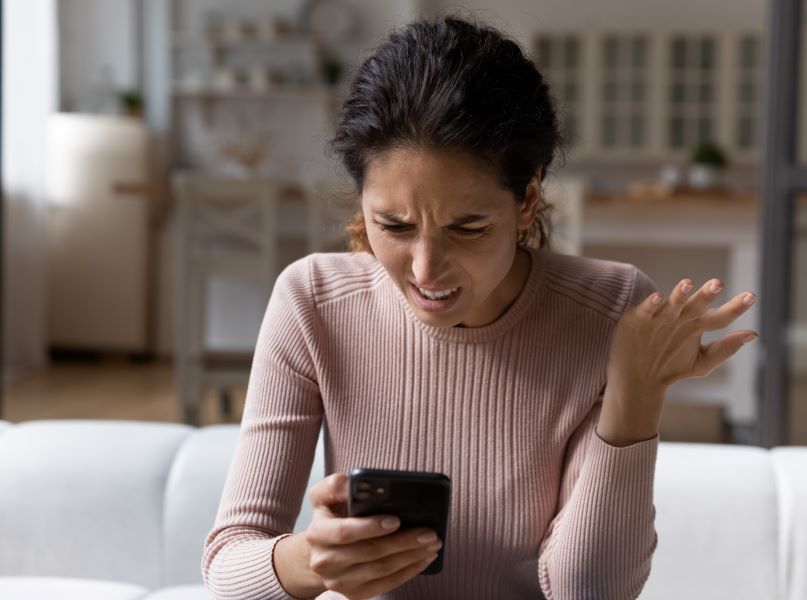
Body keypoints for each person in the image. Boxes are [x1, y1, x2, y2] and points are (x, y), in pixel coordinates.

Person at [201, 16, 758, 600]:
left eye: (467, 228)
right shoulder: (313, 301)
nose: (423, 270)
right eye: (393, 225)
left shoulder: (612, 312)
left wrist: (635, 400)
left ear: (529, 199)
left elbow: (587, 591)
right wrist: (313, 560)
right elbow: (227, 568)